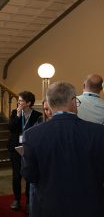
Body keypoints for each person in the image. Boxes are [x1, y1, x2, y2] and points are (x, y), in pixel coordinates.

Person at [22, 82, 104, 217]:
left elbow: (29, 174)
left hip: (49, 207)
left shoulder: (31, 135)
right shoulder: (98, 132)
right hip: (90, 206)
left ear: (48, 103)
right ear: (73, 102)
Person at [8, 91, 42, 211]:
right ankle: (17, 199)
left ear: (28, 103)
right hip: (16, 149)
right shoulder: (14, 113)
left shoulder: (37, 115)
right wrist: (17, 116)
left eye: (21, 100)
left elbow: (38, 132)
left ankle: (28, 201)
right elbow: (11, 128)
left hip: (30, 149)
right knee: (16, 176)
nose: (18, 102)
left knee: (28, 175)